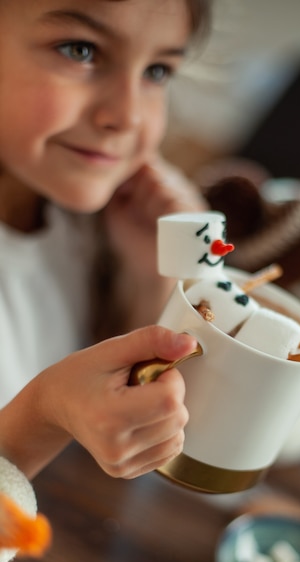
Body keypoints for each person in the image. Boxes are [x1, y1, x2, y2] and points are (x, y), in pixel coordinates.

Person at [0, 0, 212, 480]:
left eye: (156, 71)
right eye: (80, 50)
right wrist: (43, 416)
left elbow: (163, 423)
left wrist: (151, 280)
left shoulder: (77, 222)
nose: (129, 115)